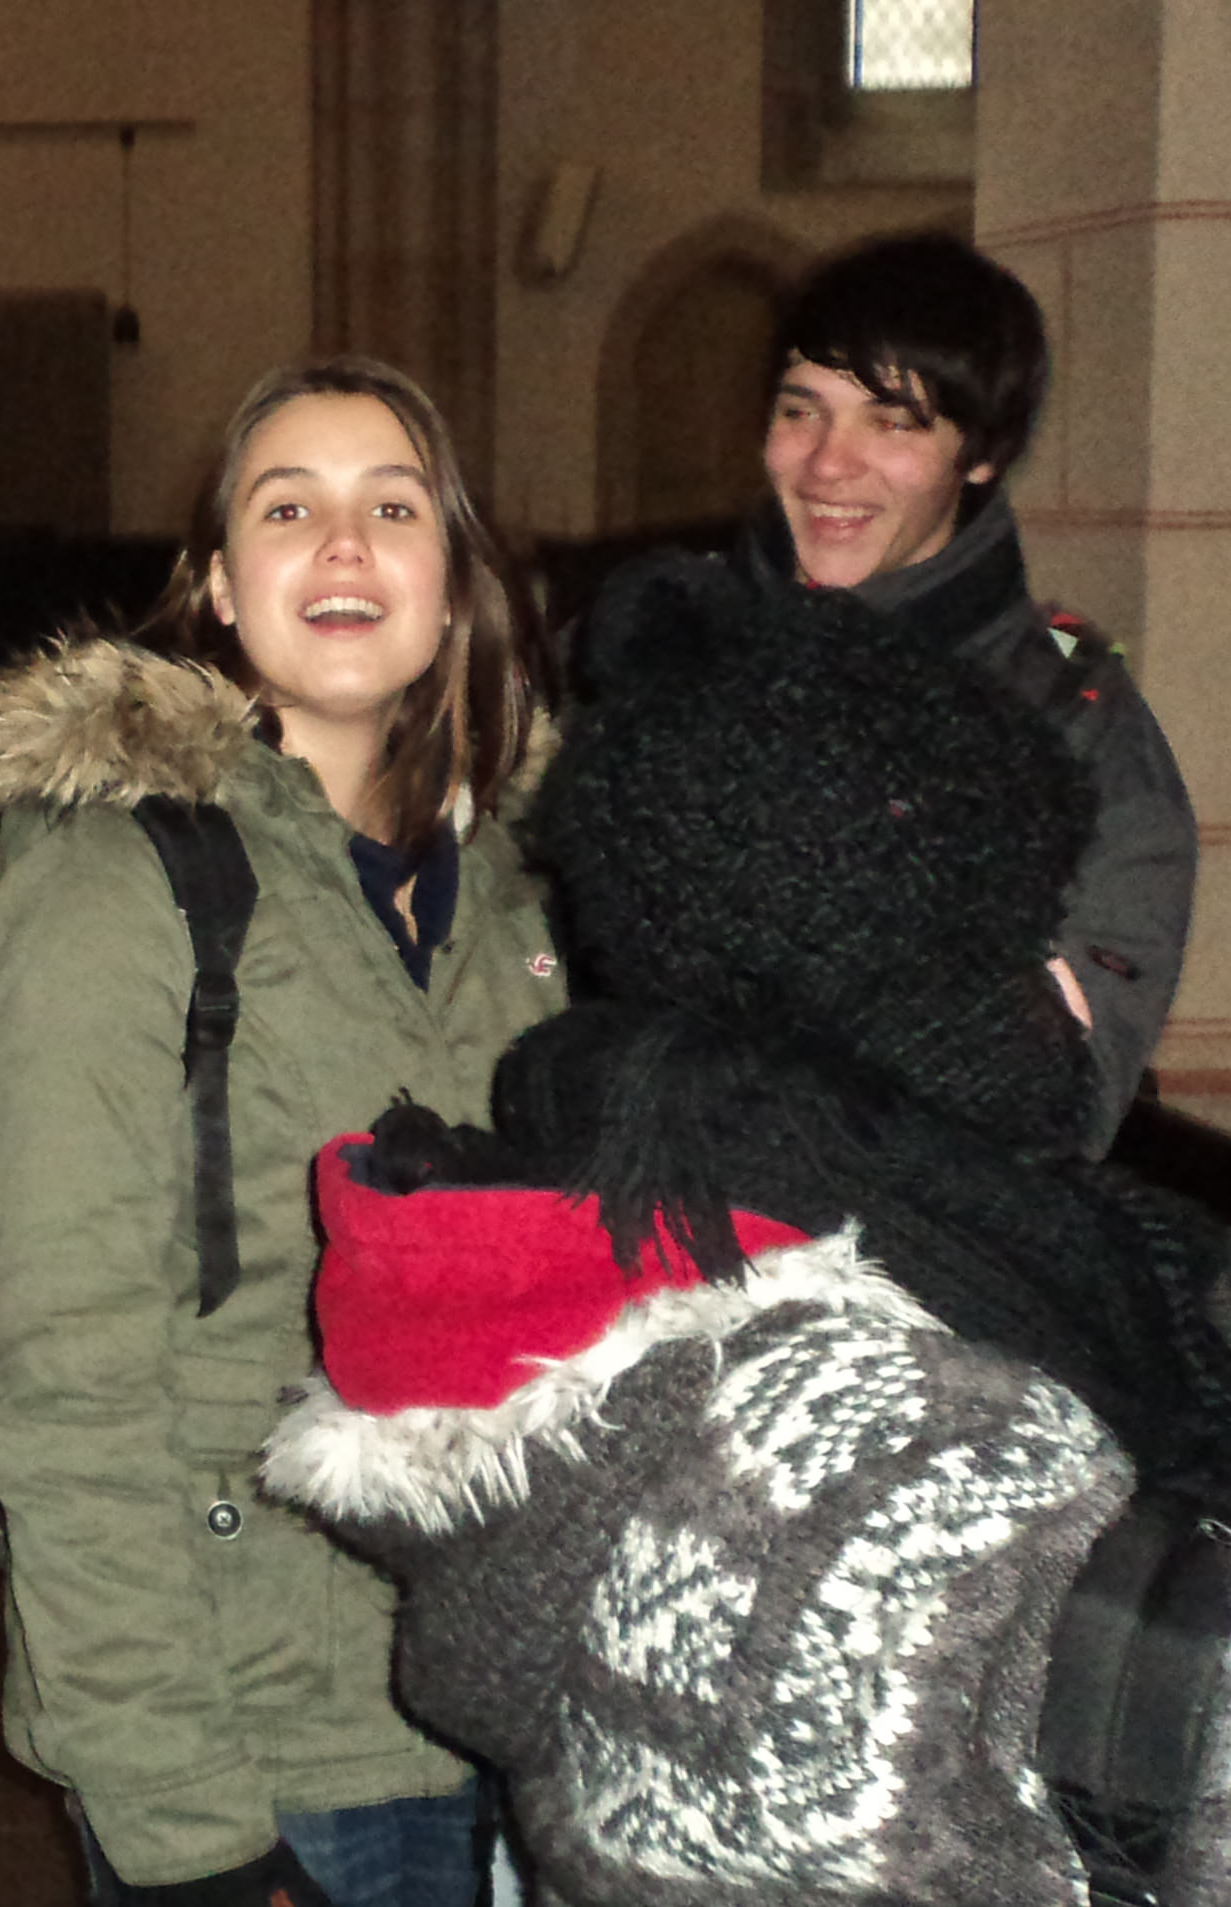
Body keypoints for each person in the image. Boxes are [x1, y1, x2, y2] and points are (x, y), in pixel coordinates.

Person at [262, 559, 1231, 1905]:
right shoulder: (905, 1418)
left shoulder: (664, 1201)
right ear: (871, 955)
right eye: (1010, 929)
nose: (1069, 985)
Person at [0, 357, 565, 1907]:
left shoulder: (529, 888)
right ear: (222, 587)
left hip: (524, 1710)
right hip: (265, 1715)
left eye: (393, 507)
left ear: (453, 579)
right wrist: (181, 1820)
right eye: (288, 508)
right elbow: (66, 1374)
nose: (345, 544)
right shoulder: (119, 881)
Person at [587, 230, 1196, 1154]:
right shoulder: (658, 637)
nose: (828, 464)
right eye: (801, 410)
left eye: (893, 421)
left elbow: (1068, 1077)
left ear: (981, 452)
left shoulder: (1067, 701)